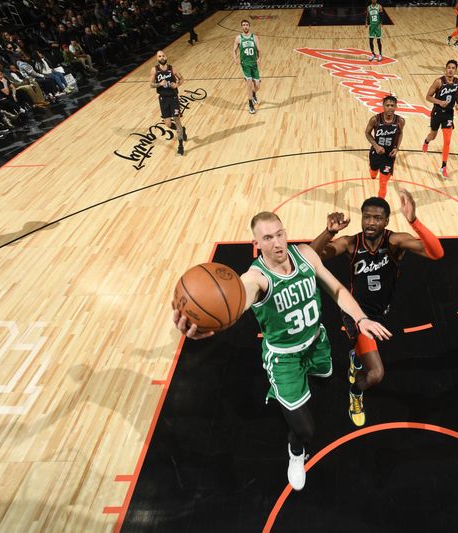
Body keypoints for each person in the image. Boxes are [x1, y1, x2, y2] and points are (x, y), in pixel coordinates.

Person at [173, 212, 391, 490]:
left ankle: (297, 392)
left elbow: (335, 288)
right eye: (267, 238)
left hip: (316, 341)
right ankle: (296, 453)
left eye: (279, 234)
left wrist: (361, 318)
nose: (277, 243)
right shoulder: (256, 278)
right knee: (304, 430)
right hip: (284, 358)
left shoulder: (304, 255)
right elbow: (239, 299)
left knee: (325, 381)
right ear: (257, 244)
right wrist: (212, 321)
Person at [309, 191, 443, 426]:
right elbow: (309, 257)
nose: (371, 222)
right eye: (367, 217)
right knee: (376, 374)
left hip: (380, 313)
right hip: (356, 314)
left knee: (361, 353)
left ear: (386, 221)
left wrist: (414, 222)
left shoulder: (395, 242)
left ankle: (355, 358)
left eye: (377, 218)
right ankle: (356, 392)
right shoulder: (351, 243)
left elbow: (436, 253)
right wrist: (329, 231)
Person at [422, 60, 458, 179]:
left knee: (447, 141)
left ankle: (443, 167)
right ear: (445, 69)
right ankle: (426, 141)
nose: (450, 70)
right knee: (433, 135)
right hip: (437, 112)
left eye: (453, 68)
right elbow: (428, 97)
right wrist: (439, 102)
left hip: (449, 114)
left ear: (456, 70)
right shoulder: (439, 82)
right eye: (449, 67)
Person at [365, 95, 405, 199]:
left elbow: (400, 133)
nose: (390, 107)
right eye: (387, 105)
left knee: (383, 183)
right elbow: (367, 133)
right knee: (373, 174)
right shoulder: (375, 119)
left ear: (396, 106)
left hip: (389, 156)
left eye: (392, 105)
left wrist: (397, 148)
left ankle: (380, 205)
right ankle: (372, 170)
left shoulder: (400, 121)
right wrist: (376, 146)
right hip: (376, 152)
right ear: (383, 106)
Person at [149, 50, 186, 155]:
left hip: (173, 97)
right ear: (157, 58)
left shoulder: (172, 68)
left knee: (177, 120)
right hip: (163, 99)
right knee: (168, 124)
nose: (162, 57)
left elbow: (182, 79)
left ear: (166, 56)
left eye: (163, 55)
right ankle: (182, 130)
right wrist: (159, 84)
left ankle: (180, 145)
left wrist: (177, 85)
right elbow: (151, 84)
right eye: (159, 56)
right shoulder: (154, 70)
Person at [233, 19, 261, 115]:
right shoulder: (238, 38)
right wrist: (235, 59)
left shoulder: (255, 37)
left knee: (257, 86)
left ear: (249, 26)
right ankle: (250, 105)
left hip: (254, 64)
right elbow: (234, 50)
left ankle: (253, 94)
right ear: (241, 26)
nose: (245, 26)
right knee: (249, 84)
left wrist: (259, 58)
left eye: (247, 25)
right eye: (243, 25)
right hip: (245, 64)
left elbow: (258, 50)